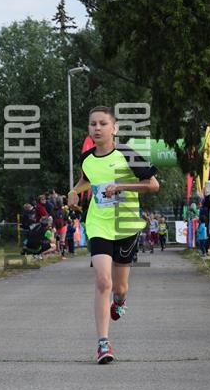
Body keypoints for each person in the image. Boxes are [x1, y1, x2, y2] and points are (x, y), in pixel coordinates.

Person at [67, 105, 159, 364]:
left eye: (103, 123)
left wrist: (121, 186)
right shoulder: (87, 158)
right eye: (93, 124)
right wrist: (74, 192)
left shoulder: (127, 154)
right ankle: (103, 343)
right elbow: (86, 179)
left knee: (119, 288)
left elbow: (153, 185)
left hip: (125, 226)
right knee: (103, 281)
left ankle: (120, 301)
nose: (97, 128)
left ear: (114, 128)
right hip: (98, 224)